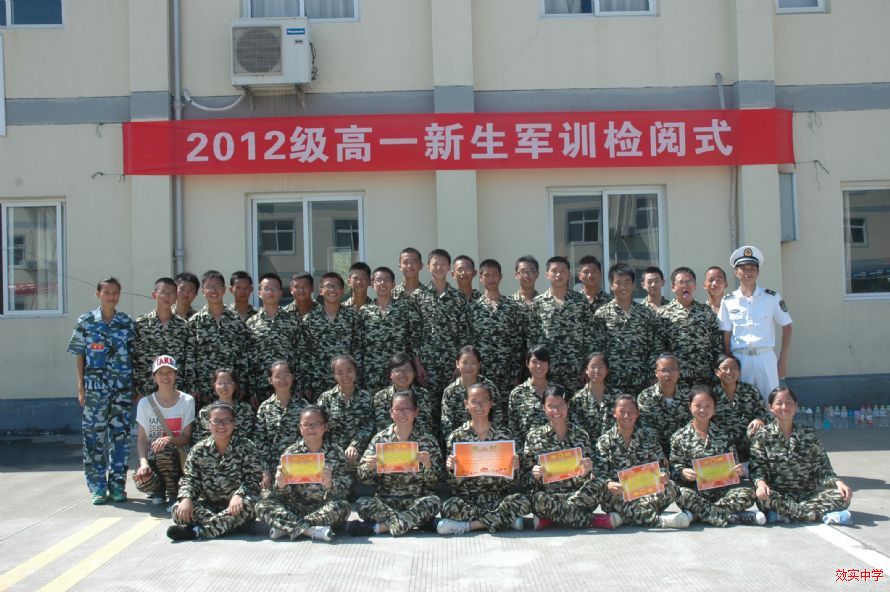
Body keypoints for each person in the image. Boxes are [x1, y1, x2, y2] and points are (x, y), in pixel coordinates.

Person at [67, 276, 136, 504]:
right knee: (93, 439)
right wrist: (80, 387)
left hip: (121, 390)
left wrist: (135, 387)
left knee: (121, 439)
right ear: (98, 294)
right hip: (95, 391)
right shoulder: (86, 321)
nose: (111, 297)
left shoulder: (126, 323)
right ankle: (97, 487)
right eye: (107, 292)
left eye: (115, 293)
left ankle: (117, 486)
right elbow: (79, 355)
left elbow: (135, 356)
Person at [749, 387, 853, 524]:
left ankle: (784, 515)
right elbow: (757, 468)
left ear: (796, 406)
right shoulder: (762, 436)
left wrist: (838, 482)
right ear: (771, 408)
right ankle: (817, 515)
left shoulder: (808, 434)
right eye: (779, 403)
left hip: (808, 494)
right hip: (778, 494)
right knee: (763, 497)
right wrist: (761, 484)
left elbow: (823, 467)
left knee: (842, 495)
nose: (784, 407)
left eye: (789, 403)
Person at [438, 383, 529, 535]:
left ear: (491, 403)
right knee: (448, 507)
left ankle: (468, 526)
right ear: (466, 404)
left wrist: (514, 469)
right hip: (468, 499)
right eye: (474, 402)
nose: (479, 406)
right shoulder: (457, 437)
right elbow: (453, 483)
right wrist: (451, 469)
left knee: (522, 501)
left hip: (498, 498)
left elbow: (513, 482)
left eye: (484, 401)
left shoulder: (504, 435)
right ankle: (504, 520)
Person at [349, 391, 443, 536]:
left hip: (416, 500)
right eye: (397, 409)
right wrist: (369, 467)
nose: (402, 413)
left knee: (434, 502)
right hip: (386, 502)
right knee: (362, 503)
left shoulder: (427, 440)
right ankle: (414, 521)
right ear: (391, 413)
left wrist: (428, 465)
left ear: (416, 412)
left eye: (407, 409)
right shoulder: (380, 439)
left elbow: (436, 480)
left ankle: (378, 528)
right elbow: (363, 478)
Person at [523, 386, 616, 531]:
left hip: (578, 496)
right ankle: (593, 521)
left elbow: (589, 476)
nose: (556, 410)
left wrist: (586, 473)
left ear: (567, 406)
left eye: (560, 405)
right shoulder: (534, 437)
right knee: (537, 498)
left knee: (599, 485)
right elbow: (524, 479)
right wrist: (534, 475)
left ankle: (552, 518)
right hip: (549, 496)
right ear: (543, 408)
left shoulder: (581, 435)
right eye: (551, 406)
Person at [167, 402, 262, 541]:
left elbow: (254, 479)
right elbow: (190, 479)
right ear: (208, 424)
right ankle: (232, 524)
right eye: (216, 421)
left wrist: (239, 495)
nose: (221, 425)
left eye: (226, 421)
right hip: (209, 505)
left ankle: (198, 532)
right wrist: (186, 498)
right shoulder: (199, 449)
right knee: (178, 509)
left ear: (234, 423)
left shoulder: (246, 446)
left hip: (237, 504)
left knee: (253, 505)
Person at [256, 406, 353, 542]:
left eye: (316, 424)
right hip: (295, 507)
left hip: (323, 507)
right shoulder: (291, 453)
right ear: (300, 428)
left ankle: (287, 527)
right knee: (262, 506)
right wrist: (281, 484)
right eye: (306, 425)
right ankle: (311, 531)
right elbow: (281, 495)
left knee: (342, 507)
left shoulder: (337, 452)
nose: (311, 429)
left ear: (325, 427)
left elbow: (345, 490)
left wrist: (330, 484)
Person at [670, 385, 763, 527]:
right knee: (681, 494)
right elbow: (675, 467)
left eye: (708, 406)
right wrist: (683, 472)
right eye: (698, 406)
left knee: (748, 493)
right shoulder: (678, 437)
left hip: (722, 492)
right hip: (696, 491)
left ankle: (698, 514)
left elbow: (733, 465)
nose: (703, 410)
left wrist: (737, 470)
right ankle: (732, 516)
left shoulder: (724, 435)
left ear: (714, 409)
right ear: (690, 407)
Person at [594, 395, 689, 529]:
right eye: (622, 411)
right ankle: (661, 521)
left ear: (638, 413)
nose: (627, 415)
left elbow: (661, 465)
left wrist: (664, 475)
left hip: (647, 491)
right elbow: (599, 472)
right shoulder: (604, 441)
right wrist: (609, 483)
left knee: (671, 486)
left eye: (631, 411)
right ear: (614, 413)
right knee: (608, 495)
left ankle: (626, 516)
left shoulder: (648, 438)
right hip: (620, 493)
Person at [718, 245, 793, 402]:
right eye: (743, 268)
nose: (748, 272)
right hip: (740, 359)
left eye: (752, 268)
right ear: (736, 272)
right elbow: (726, 332)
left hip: (765, 357)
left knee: (771, 402)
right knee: (742, 402)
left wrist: (782, 360)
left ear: (758, 272)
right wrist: (729, 359)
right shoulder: (728, 301)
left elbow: (787, 326)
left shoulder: (771, 297)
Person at [134, 355, 195, 509]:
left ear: (176, 375)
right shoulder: (145, 403)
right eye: (160, 373)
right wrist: (143, 463)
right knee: (142, 480)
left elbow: (186, 438)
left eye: (169, 372)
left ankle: (174, 494)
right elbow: (142, 439)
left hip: (177, 459)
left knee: (164, 449)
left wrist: (168, 439)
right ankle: (158, 489)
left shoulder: (187, 400)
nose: (165, 376)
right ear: (154, 377)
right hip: (153, 459)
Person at [468, 258, 529, 406]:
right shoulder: (473, 308)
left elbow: (518, 343)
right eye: (487, 275)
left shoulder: (512, 307)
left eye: (494, 275)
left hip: (507, 374)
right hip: (482, 373)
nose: (491, 279)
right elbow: (469, 342)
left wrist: (516, 373)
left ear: (500, 277)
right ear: (480, 278)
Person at [528, 256, 594, 393]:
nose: (558, 275)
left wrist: (587, 367)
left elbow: (589, 336)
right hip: (548, 371)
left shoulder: (580, 301)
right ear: (547, 275)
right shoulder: (538, 302)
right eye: (554, 271)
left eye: (563, 271)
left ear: (569, 274)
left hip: (576, 371)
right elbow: (532, 339)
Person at [185, 270, 250, 408]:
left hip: (232, 389)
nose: (213, 290)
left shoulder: (236, 320)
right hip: (204, 389)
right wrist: (193, 386)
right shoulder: (194, 322)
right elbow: (190, 357)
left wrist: (243, 384)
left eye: (217, 286)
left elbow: (244, 355)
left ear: (224, 290)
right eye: (209, 287)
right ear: (203, 291)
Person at [593, 263, 661, 395]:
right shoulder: (602, 314)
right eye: (618, 283)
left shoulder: (646, 314)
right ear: (611, 286)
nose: (623, 287)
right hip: (612, 382)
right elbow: (597, 349)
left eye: (627, 282)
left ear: (633, 285)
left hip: (642, 382)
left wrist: (652, 374)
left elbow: (655, 346)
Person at [414, 248, 471, 399]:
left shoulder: (458, 297)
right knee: (428, 404)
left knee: (452, 401)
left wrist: (460, 364)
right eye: (435, 264)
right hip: (427, 364)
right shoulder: (418, 296)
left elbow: (463, 333)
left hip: (451, 363)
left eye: (443, 264)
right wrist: (417, 364)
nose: (439, 268)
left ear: (449, 267)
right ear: (428, 267)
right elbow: (414, 333)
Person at [299, 271, 361, 402]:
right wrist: (305, 383)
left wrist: (357, 378)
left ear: (342, 291)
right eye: (328, 286)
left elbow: (358, 349)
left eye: (336, 286)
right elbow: (304, 353)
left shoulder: (353, 317)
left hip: (346, 381)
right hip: (318, 381)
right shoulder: (310, 319)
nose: (332, 289)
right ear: (321, 290)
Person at [656, 267, 723, 388]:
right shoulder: (663, 313)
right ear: (673, 287)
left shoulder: (706, 312)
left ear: (695, 286)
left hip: (704, 377)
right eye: (681, 282)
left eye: (689, 282)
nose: (686, 286)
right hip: (675, 379)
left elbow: (717, 345)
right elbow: (658, 347)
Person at [360, 266, 422, 393]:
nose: (383, 283)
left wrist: (417, 364)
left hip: (399, 369)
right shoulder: (365, 311)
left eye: (387, 279)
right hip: (373, 369)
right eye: (379, 280)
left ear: (393, 284)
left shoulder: (405, 307)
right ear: (372, 284)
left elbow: (414, 338)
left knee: (401, 401)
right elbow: (360, 343)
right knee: (376, 402)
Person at [246, 272, 302, 407]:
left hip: (289, 386)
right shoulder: (251, 323)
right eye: (266, 288)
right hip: (260, 386)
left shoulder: (293, 321)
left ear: (281, 292)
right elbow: (247, 358)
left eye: (274, 288)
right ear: (259, 293)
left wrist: (300, 384)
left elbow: (301, 354)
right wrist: (251, 390)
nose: (270, 292)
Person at [134, 277, 190, 403]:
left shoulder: (183, 326)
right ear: (154, 295)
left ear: (176, 297)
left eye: (171, 293)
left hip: (177, 389)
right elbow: (136, 358)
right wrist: (138, 390)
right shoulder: (141, 324)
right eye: (163, 292)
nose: (167, 296)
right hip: (148, 389)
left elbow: (188, 358)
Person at [255, 360, 309, 490]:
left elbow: (311, 438)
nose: (283, 380)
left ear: (292, 377)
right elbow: (260, 441)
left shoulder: (304, 406)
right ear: (270, 380)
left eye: (286, 375)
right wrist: (264, 470)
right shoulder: (265, 408)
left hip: (299, 465)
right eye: (277, 376)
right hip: (273, 468)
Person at [316, 355, 375, 471]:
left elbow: (368, 425)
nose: (345, 376)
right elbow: (320, 425)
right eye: (340, 372)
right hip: (332, 457)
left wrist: (355, 445)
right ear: (334, 376)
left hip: (360, 455)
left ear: (355, 372)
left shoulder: (366, 398)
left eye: (349, 371)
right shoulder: (326, 398)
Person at [712, 354, 769, 461]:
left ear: (739, 372)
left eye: (733, 368)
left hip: (748, 439)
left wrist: (759, 419)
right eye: (724, 368)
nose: (729, 372)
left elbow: (764, 412)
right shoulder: (711, 394)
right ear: (717, 372)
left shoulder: (750, 391)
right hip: (721, 444)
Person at [440, 346, 503, 441]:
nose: (468, 367)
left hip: (489, 439)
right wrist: (453, 442)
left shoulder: (489, 387)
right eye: (465, 363)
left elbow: (497, 416)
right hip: (460, 440)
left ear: (479, 365)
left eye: (473, 363)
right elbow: (447, 422)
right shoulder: (450, 391)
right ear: (457, 364)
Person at [637, 354, 691, 457]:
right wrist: (658, 452)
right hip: (654, 450)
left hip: (684, 447)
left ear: (679, 372)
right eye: (664, 370)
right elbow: (646, 428)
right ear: (656, 373)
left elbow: (692, 425)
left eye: (672, 369)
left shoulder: (688, 396)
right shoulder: (645, 397)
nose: (668, 374)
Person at [508, 345, 560, 448]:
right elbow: (514, 428)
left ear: (549, 364)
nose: (539, 366)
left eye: (543, 361)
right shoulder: (517, 393)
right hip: (529, 451)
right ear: (527, 363)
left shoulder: (558, 391)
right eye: (534, 362)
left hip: (556, 452)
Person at [372, 353, 435, 436]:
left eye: (407, 369)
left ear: (414, 373)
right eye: (397, 370)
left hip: (418, 438)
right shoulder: (381, 396)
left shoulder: (423, 394)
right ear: (391, 375)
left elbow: (425, 424)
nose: (403, 374)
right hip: (389, 439)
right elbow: (382, 425)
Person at [191, 368, 256, 444]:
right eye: (220, 383)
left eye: (228, 383)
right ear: (214, 386)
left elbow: (253, 434)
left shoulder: (246, 409)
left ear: (234, 385)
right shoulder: (205, 412)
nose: (224, 387)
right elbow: (198, 437)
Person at [569, 352, 620, 441]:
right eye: (593, 367)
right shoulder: (577, 399)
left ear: (607, 370)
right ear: (586, 370)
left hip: (613, 445)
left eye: (601, 367)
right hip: (587, 445)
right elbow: (577, 428)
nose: (597, 371)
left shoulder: (617, 396)